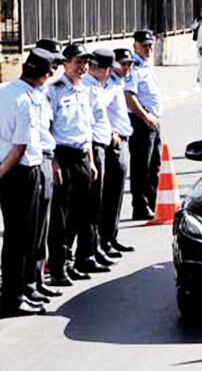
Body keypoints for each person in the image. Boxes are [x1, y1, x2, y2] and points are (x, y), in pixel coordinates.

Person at [0, 49, 54, 317]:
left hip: (9, 172)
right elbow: (20, 147)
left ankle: (16, 292)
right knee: (22, 239)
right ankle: (14, 296)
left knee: (14, 237)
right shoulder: (25, 101)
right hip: (20, 173)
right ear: (44, 76)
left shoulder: (5, 91)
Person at [49, 43, 104, 279]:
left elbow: (87, 130)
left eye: (85, 63)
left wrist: (91, 161)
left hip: (82, 155)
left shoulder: (85, 91)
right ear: (65, 63)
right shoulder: (55, 90)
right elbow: (48, 129)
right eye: (78, 62)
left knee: (80, 214)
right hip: (62, 155)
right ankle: (58, 266)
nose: (82, 67)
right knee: (60, 216)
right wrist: (54, 163)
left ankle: (72, 261)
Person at [28, 40, 64, 300]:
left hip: (46, 159)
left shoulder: (41, 92)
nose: (54, 70)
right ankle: (24, 285)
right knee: (29, 231)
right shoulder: (24, 93)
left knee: (43, 228)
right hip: (30, 164)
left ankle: (37, 280)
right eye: (53, 64)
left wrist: (53, 162)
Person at [81, 50, 118, 269]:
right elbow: (86, 123)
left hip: (100, 145)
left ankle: (94, 250)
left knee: (97, 203)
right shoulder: (87, 88)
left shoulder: (95, 86)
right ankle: (87, 254)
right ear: (104, 70)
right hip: (92, 148)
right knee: (91, 205)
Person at [126, 29, 163, 221]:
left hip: (153, 120)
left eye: (150, 44)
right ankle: (140, 205)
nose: (149, 48)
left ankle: (153, 201)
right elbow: (129, 96)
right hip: (141, 122)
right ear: (135, 45)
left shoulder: (146, 65)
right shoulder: (134, 67)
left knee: (154, 164)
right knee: (141, 166)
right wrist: (145, 116)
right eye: (145, 45)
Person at [100, 48, 134, 255]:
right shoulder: (109, 85)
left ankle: (112, 237)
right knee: (110, 195)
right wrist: (111, 131)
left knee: (117, 194)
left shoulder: (118, 83)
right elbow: (99, 109)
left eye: (129, 64)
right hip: (114, 144)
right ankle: (105, 240)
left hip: (123, 141)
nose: (127, 68)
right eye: (124, 63)